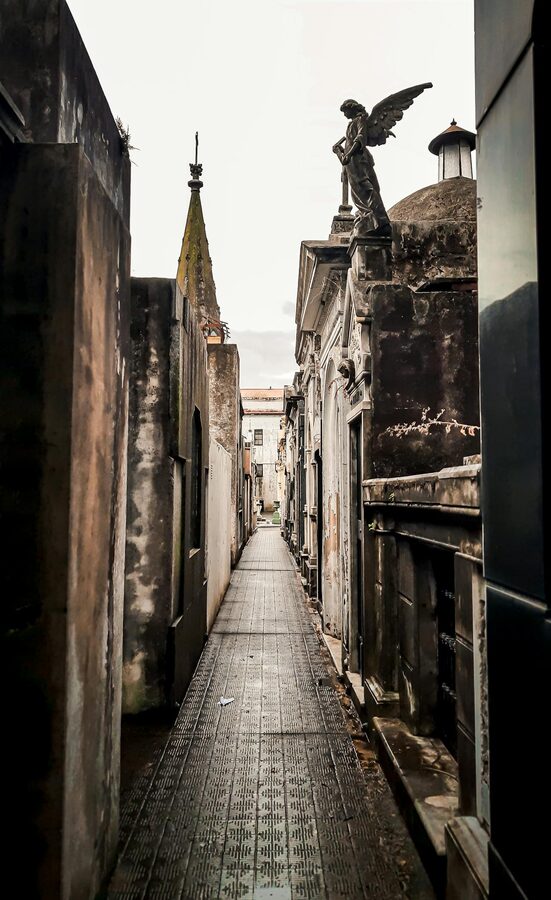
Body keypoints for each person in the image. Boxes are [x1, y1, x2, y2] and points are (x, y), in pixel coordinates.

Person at [333, 99, 392, 238]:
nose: (344, 115)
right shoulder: (350, 125)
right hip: (352, 162)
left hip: (359, 160)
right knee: (358, 192)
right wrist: (339, 151)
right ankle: (368, 216)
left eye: (345, 111)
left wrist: (347, 153)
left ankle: (381, 222)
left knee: (366, 189)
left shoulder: (361, 120)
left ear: (352, 108)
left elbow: (360, 139)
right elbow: (345, 156)